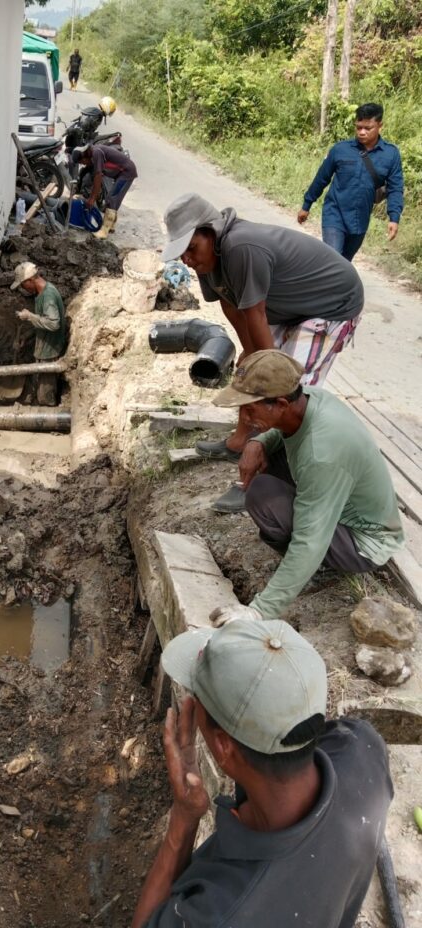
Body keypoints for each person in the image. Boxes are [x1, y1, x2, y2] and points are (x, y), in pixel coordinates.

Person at [132, 618, 393, 928]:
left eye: (198, 697)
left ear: (223, 746)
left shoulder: (220, 913)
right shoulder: (362, 749)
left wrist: (183, 818)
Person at [162, 192, 364, 511]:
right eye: (182, 252)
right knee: (250, 369)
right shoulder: (207, 259)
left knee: (288, 396)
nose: (187, 258)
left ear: (210, 231)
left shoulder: (241, 247)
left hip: (331, 304)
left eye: (191, 248)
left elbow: (255, 314)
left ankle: (265, 481)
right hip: (290, 308)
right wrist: (247, 353)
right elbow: (231, 305)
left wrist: (269, 373)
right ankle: (239, 442)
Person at [208, 350, 404, 622]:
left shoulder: (322, 453)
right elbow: (281, 429)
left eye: (249, 407)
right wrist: (258, 442)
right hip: (341, 502)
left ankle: (320, 568)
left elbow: (310, 540)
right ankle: (306, 564)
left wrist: (258, 610)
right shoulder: (308, 398)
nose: (243, 416)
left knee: (263, 496)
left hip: (364, 542)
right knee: (272, 461)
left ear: (279, 404)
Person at [298, 102, 404, 262]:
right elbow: (321, 178)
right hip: (334, 214)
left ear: (380, 126)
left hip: (360, 220)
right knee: (333, 260)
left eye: (368, 128)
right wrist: (306, 205)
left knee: (345, 265)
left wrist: (394, 218)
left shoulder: (391, 154)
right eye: (358, 127)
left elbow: (396, 188)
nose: (362, 132)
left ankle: (333, 286)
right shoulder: (340, 149)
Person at [11, 262, 66, 406]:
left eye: (23, 285)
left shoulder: (48, 296)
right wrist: (26, 336)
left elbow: (54, 324)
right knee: (38, 388)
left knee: (45, 397)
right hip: (44, 350)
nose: (23, 289)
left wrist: (30, 316)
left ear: (30, 280)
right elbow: (43, 321)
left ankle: (50, 420)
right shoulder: (41, 293)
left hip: (50, 352)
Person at [72, 142, 138, 240]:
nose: (84, 164)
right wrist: (77, 189)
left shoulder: (96, 153)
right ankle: (111, 226)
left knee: (111, 199)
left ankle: (104, 231)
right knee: (114, 199)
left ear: (84, 156)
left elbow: (98, 177)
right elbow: (84, 172)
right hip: (120, 173)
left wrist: (92, 198)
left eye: (82, 162)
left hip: (126, 172)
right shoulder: (92, 155)